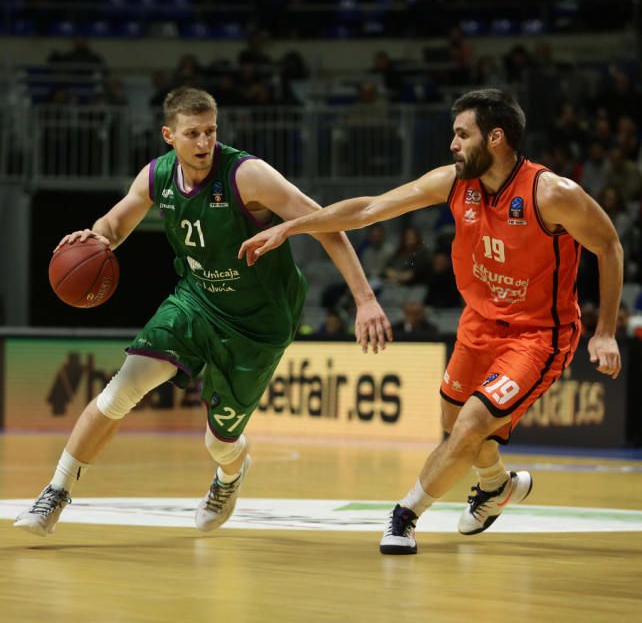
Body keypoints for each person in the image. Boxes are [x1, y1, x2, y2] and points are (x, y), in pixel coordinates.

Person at [238, 88, 623, 555]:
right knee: (455, 423)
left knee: (470, 426)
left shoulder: (552, 193)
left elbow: (609, 245)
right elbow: (367, 209)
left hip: (537, 335)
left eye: (462, 134)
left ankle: (405, 515)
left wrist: (604, 332)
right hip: (477, 323)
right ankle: (495, 484)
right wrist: (290, 227)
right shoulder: (454, 182)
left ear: (496, 138)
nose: (453, 144)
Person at [14, 86, 391, 537]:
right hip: (196, 301)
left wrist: (365, 299)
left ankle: (230, 475)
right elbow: (115, 223)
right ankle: (55, 493)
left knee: (220, 440)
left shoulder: (247, 175)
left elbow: (325, 221)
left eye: (210, 131)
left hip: (259, 322)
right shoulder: (157, 176)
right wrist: (94, 239)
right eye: (192, 133)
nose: (203, 143)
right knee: (120, 390)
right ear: (168, 135)